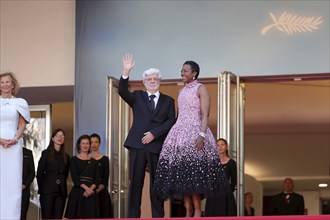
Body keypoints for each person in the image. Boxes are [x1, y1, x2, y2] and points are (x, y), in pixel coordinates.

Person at [154, 61, 228, 217]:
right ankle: (187, 211)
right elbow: (179, 116)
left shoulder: (201, 89)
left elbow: (205, 115)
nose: (182, 73)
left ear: (194, 73)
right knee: (182, 175)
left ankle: (196, 211)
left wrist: (201, 135)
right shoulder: (181, 91)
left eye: (185, 71)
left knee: (194, 174)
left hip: (196, 134)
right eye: (181, 71)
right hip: (180, 135)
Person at [118, 53, 176, 218]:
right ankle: (133, 216)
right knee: (135, 183)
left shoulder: (168, 100)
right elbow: (122, 91)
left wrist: (154, 133)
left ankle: (158, 216)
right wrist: (126, 71)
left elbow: (171, 120)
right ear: (144, 82)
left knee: (157, 184)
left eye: (155, 79)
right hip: (137, 144)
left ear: (159, 81)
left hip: (156, 145)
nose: (152, 81)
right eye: (149, 79)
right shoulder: (137, 96)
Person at [0, 71, 30, 219]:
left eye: (7, 82)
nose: (5, 84)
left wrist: (15, 139)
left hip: (13, 145)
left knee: (12, 182)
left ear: (12, 84)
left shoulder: (20, 102)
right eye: (2, 82)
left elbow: (22, 125)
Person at [37, 128, 71, 219]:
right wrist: (43, 187)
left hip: (61, 191)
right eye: (57, 136)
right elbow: (39, 173)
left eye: (62, 136)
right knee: (47, 216)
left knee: (58, 217)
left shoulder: (66, 157)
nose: (60, 138)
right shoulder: (46, 153)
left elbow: (65, 174)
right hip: (47, 191)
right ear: (53, 138)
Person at [64, 134, 100, 219]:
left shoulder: (94, 161)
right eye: (83, 143)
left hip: (92, 193)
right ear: (79, 145)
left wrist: (91, 189)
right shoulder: (74, 159)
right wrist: (87, 189)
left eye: (87, 143)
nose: (85, 145)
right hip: (78, 192)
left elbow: (97, 179)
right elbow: (75, 178)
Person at [204, 138, 237, 216]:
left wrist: (229, 190)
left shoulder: (231, 163)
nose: (220, 147)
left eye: (222, 145)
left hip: (226, 193)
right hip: (213, 193)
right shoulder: (212, 162)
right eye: (218, 145)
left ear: (226, 147)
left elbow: (234, 180)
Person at [90, 133, 113, 218]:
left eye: (96, 142)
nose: (94, 144)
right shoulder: (85, 158)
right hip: (89, 192)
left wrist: (97, 190)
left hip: (101, 193)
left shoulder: (105, 159)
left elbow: (105, 179)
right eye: (91, 142)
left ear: (99, 144)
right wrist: (90, 190)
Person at [21, 147, 35, 220]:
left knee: (22, 216)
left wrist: (25, 185)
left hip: (24, 191)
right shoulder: (5, 152)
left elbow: (32, 172)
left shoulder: (28, 153)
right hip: (7, 192)